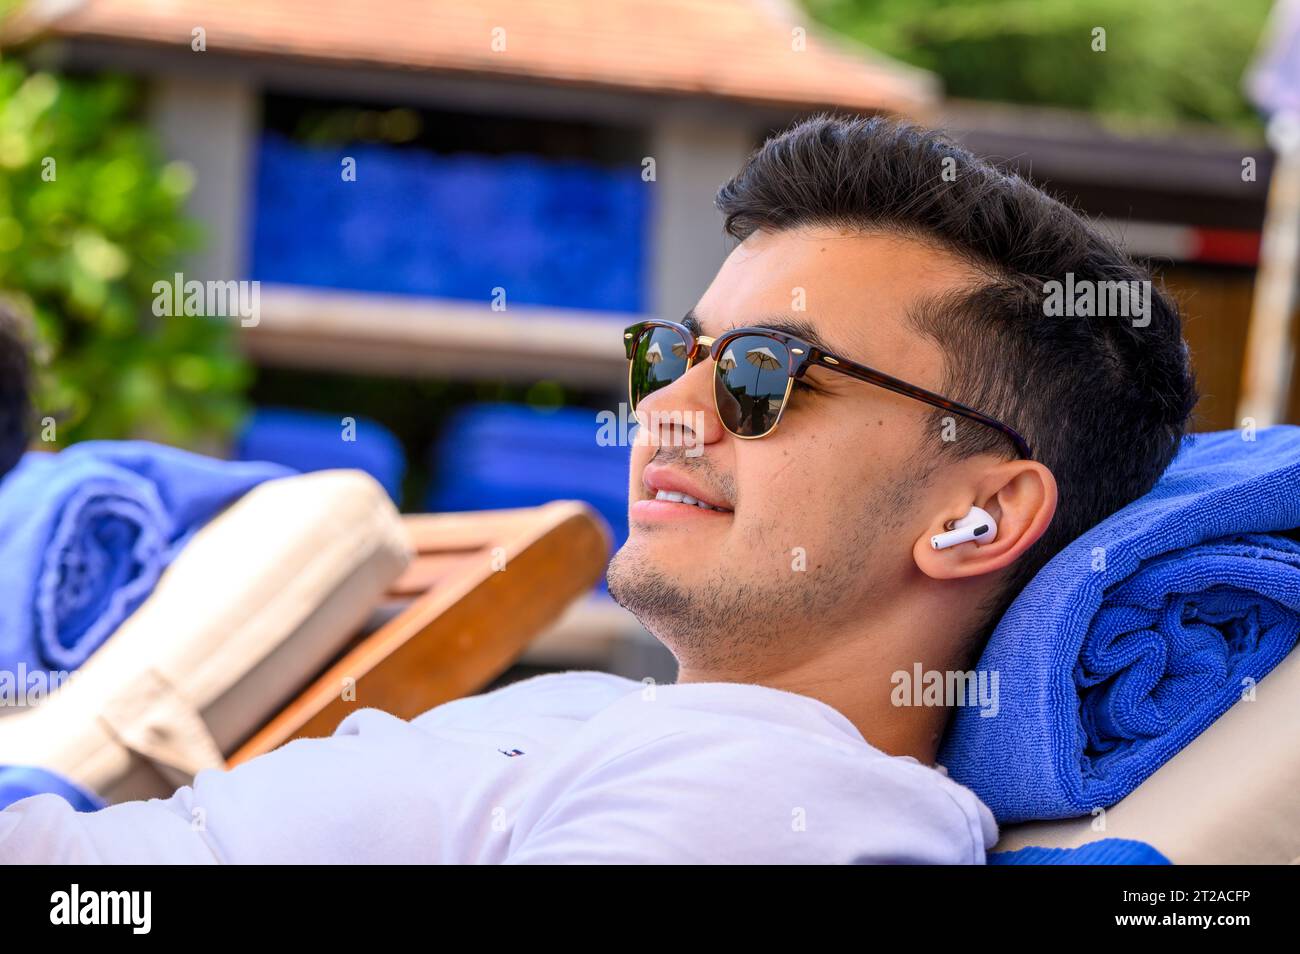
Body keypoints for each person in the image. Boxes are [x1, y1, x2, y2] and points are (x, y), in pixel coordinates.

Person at [0, 114, 1196, 864]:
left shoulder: (776, 801)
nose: (665, 410)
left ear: (975, 515)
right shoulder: (599, 715)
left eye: (772, 373)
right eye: (676, 355)